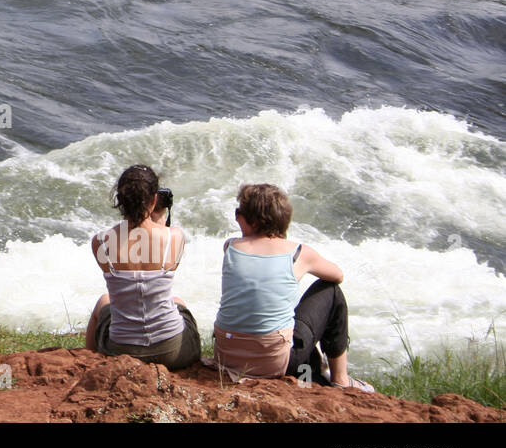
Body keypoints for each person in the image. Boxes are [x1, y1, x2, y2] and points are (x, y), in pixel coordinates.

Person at [213, 183, 374, 390]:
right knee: (331, 291)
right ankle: (341, 378)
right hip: (274, 362)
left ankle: (316, 370)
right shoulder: (299, 253)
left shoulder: (230, 247)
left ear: (252, 220)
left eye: (239, 213)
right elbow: (337, 275)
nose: (236, 218)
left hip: (226, 356)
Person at [86, 165, 201, 370]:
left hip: (121, 350)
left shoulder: (100, 242)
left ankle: (89, 362)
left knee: (104, 300)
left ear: (120, 201)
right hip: (172, 351)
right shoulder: (175, 237)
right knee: (178, 302)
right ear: (155, 199)